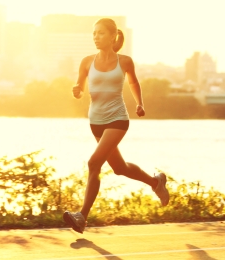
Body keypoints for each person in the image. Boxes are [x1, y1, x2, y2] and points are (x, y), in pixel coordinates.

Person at [63, 18, 169, 234]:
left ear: (113, 36)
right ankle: (155, 182)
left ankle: (82, 216)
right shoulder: (86, 62)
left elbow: (133, 82)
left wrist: (139, 103)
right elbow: (80, 89)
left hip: (117, 120)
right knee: (119, 169)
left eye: (101, 33)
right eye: (94, 33)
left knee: (94, 163)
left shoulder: (125, 61)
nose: (96, 37)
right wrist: (77, 91)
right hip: (96, 122)